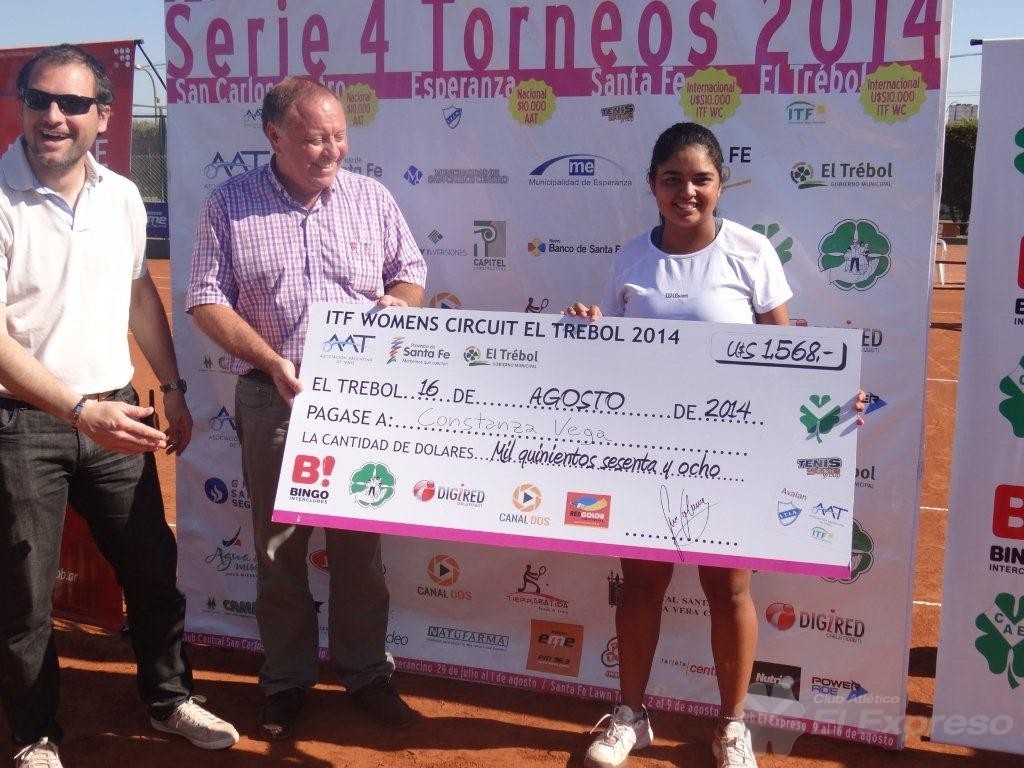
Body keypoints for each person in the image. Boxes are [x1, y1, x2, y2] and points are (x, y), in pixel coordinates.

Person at [568, 122, 863, 768]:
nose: (687, 192)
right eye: (671, 179)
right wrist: (588, 330)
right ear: (652, 185)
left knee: (728, 590)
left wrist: (833, 400)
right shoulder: (629, 258)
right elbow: (612, 357)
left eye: (701, 178)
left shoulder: (751, 252)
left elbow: (789, 358)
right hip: (646, 453)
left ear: (721, 184)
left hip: (733, 458)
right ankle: (631, 717)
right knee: (640, 586)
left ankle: (732, 726)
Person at [0, 44, 239, 768]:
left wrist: (172, 387)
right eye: (39, 99)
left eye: (73, 103)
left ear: (103, 116)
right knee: (24, 595)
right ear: (22, 106)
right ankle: (35, 736)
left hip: (117, 413)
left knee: (152, 570)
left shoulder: (124, 196)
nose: (53, 116)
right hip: (21, 425)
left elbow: (138, 295)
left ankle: (170, 700)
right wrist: (78, 410)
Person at [187, 76, 427, 741]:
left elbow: (410, 271)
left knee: (359, 548)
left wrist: (400, 302)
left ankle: (366, 674)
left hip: (361, 402)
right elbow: (206, 298)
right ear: (275, 135)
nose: (332, 150)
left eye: (340, 136)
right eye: (316, 138)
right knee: (278, 550)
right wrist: (270, 360)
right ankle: (287, 680)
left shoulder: (371, 197)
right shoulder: (229, 202)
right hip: (273, 397)